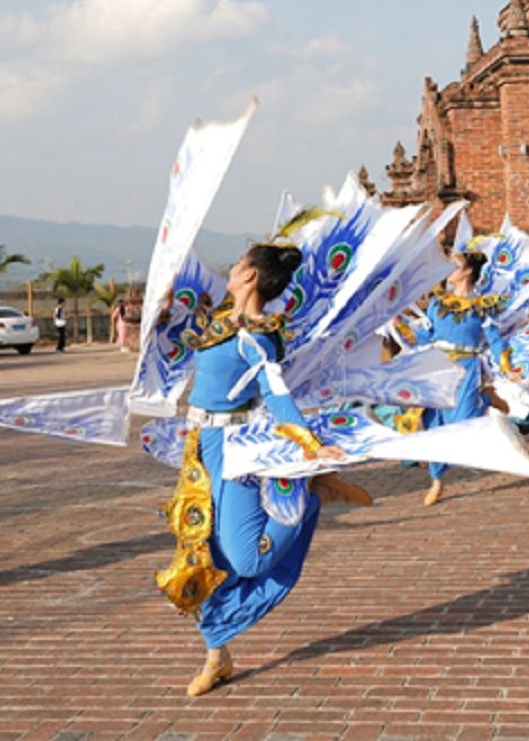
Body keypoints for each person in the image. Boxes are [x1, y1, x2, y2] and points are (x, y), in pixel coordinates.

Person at [156, 242, 369, 697]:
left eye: (236, 265)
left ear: (250, 276)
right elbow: (177, 343)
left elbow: (274, 389)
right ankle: (217, 656)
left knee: (247, 558)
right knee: (201, 556)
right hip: (200, 448)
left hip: (237, 451)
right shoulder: (216, 323)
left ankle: (303, 496)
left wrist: (308, 444)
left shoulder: (260, 334)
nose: (229, 270)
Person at [405, 250, 508, 506]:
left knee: (462, 422)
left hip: (466, 367)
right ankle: (437, 481)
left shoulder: (483, 306)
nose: (448, 270)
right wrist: (407, 327)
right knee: (433, 424)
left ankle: (484, 398)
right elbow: (427, 337)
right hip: (437, 366)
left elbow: (494, 339)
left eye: (454, 266)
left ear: (467, 272)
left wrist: (507, 364)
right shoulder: (437, 303)